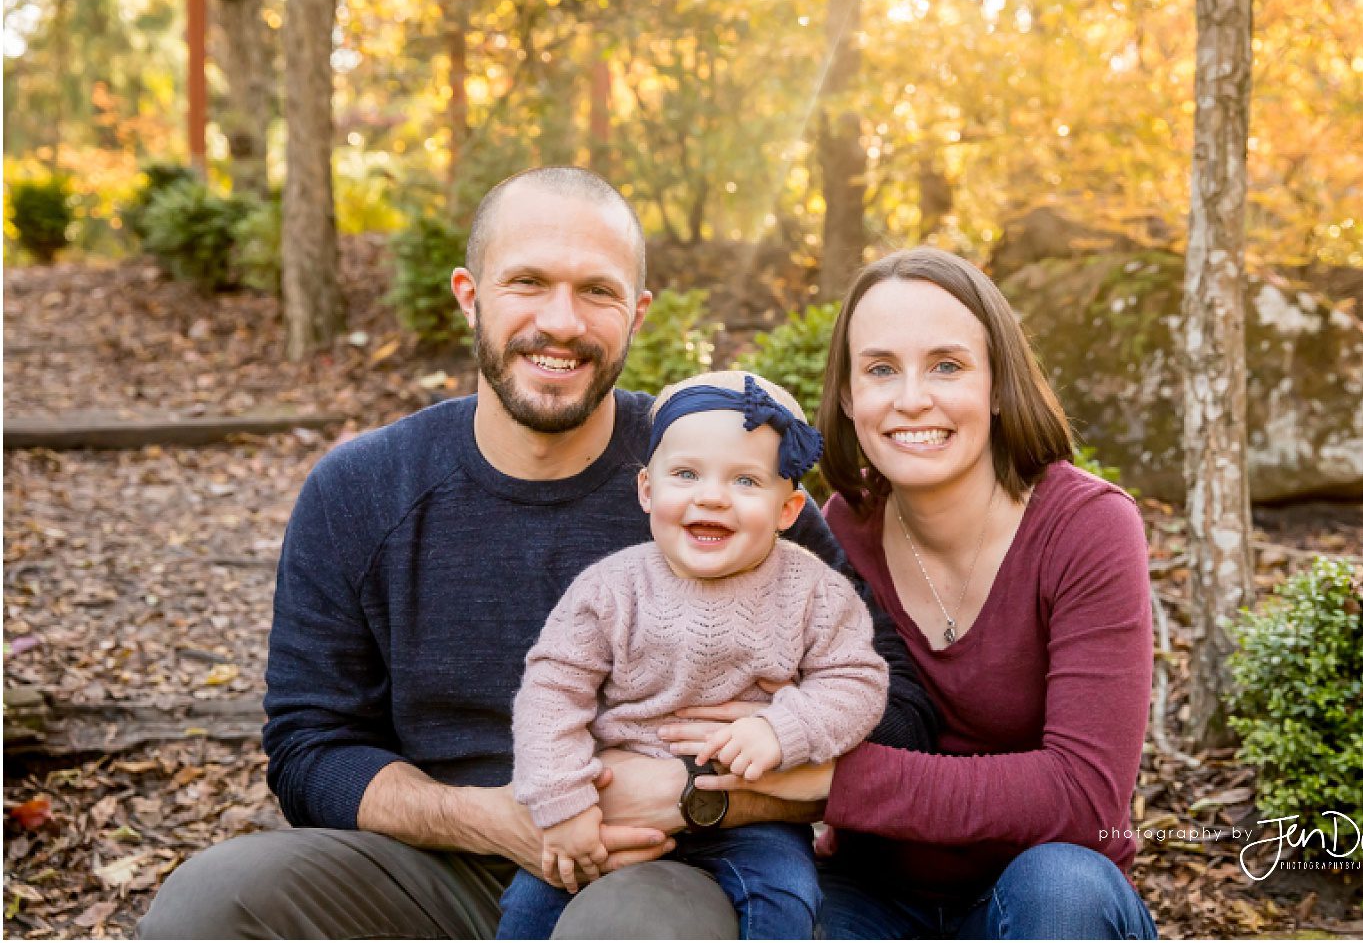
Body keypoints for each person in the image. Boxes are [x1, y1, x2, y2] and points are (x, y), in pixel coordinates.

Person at [136, 168, 935, 940]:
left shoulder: (718, 481)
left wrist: (716, 791)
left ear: (638, 314)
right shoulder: (363, 491)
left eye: (597, 291)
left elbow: (899, 706)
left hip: (663, 863)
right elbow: (310, 749)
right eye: (528, 282)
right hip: (440, 861)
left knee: (629, 929)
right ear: (469, 294)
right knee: (208, 906)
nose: (562, 322)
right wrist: (487, 819)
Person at [665, 247, 1159, 939]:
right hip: (872, 893)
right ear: (846, 396)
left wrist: (838, 779)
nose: (911, 399)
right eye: (880, 370)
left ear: (995, 383)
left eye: (946, 366)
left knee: (1063, 889)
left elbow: (1085, 795)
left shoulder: (1086, 529)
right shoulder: (840, 533)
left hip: (1042, 894)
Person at [498, 371, 889, 939]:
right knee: (534, 902)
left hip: (751, 810)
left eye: (746, 481)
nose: (711, 495)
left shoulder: (815, 592)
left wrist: (786, 729)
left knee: (788, 895)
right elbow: (552, 692)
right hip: (611, 802)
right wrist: (563, 802)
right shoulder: (609, 589)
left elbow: (857, 681)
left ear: (788, 509)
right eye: (685, 474)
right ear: (647, 491)